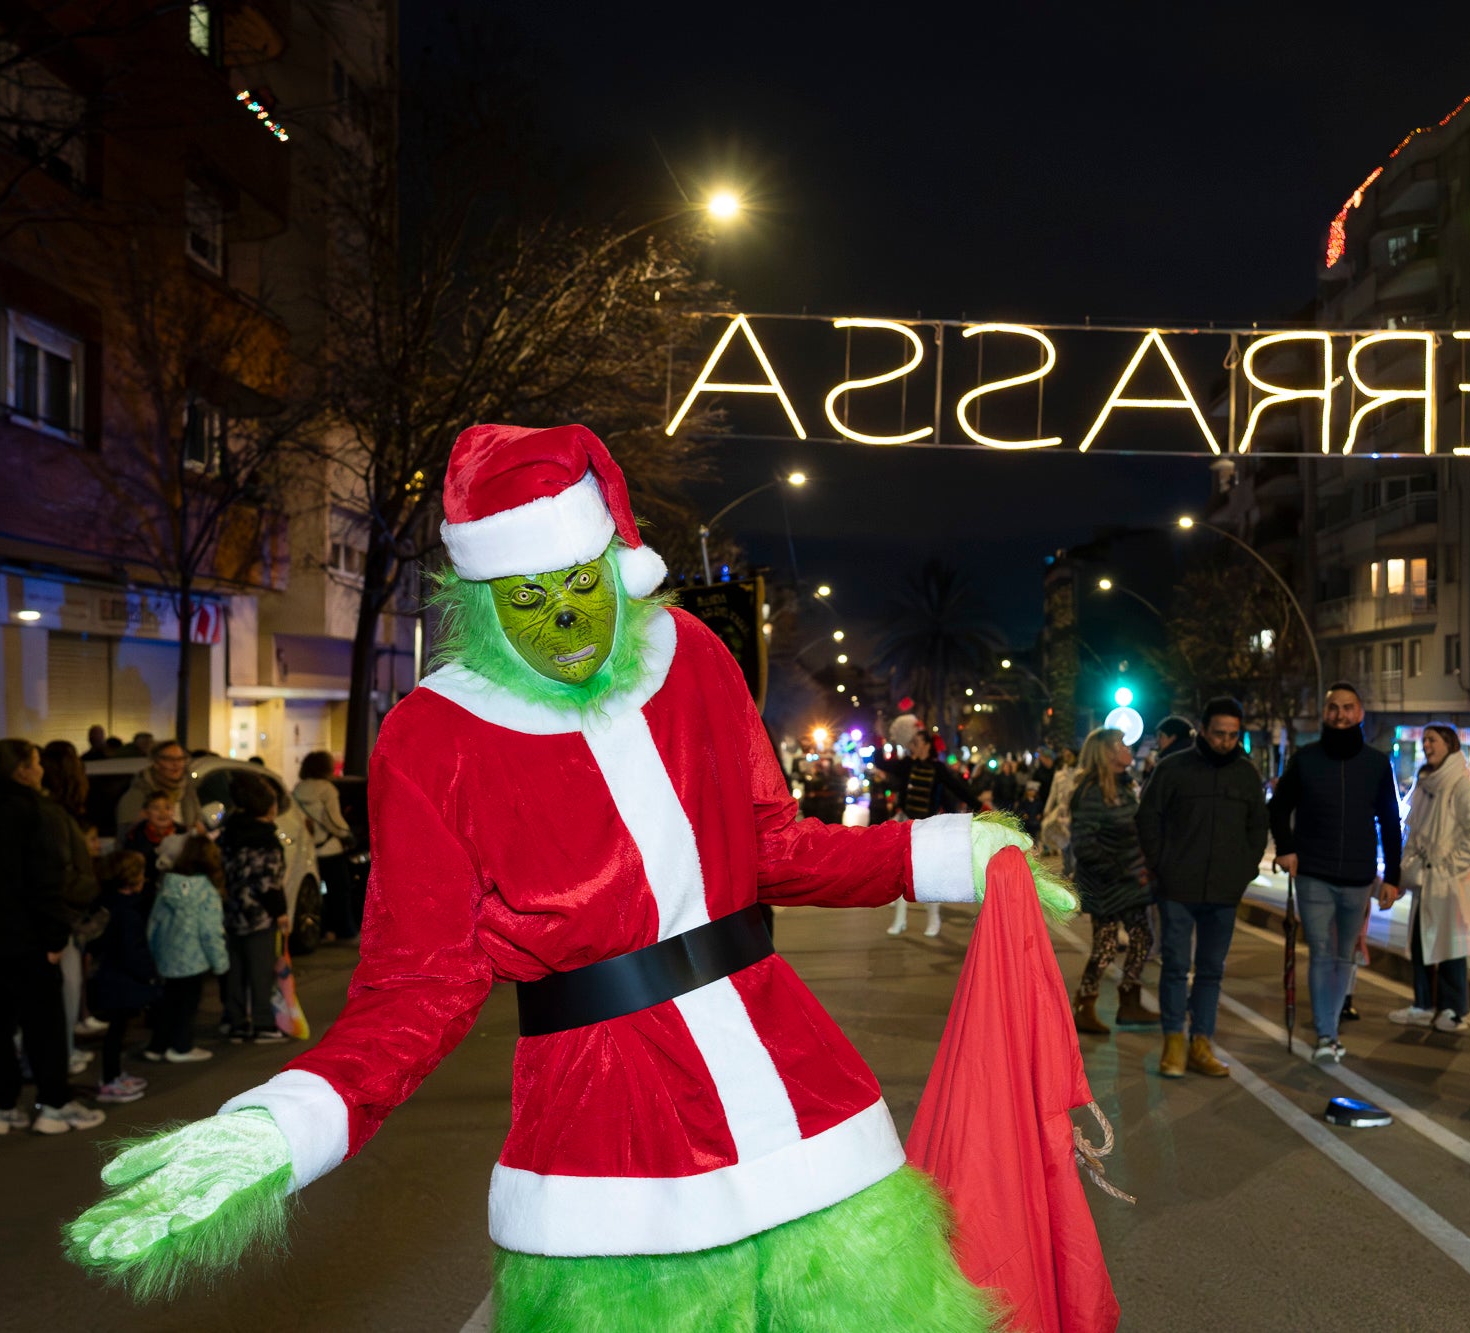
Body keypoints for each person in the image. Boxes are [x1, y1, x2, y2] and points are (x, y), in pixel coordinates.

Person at [67, 422, 1069, 1327]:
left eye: (581, 583)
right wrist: (284, 1126)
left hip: (791, 1080)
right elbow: (416, 981)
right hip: (604, 1127)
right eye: (528, 597)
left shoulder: (695, 659)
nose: (565, 621)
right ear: (482, 599)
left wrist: (953, 852)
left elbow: (773, 846)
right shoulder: (433, 735)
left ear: (615, 563)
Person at [0, 739, 105, 1138]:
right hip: (27, 941)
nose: (42, 770)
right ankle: (53, 1105)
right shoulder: (34, 813)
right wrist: (54, 935)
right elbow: (45, 880)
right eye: (36, 763)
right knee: (43, 1026)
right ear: (22, 770)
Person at [1268, 682, 1402, 1064]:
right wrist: (1287, 848)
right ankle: (1326, 1034)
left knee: (1345, 956)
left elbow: (1390, 822)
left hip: (1359, 877)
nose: (1340, 714)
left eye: (1348, 708)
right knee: (1323, 954)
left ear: (1360, 714)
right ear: (1324, 714)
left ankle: (1330, 1026)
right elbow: (1278, 808)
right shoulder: (1306, 759)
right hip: (1313, 873)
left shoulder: (1377, 764)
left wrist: (1392, 876)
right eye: (1333, 708)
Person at [1136, 697, 1267, 1077]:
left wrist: (1244, 870)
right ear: (1203, 731)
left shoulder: (1246, 774)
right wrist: (1162, 865)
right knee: (1176, 965)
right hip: (1177, 888)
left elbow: (1258, 825)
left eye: (1232, 735)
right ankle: (1173, 1041)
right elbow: (1148, 818)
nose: (1226, 741)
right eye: (1219, 734)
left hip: (1224, 891)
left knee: (1211, 969)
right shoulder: (1173, 769)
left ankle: (1201, 1042)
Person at [1388, 725, 1470, 1032]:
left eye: (1432, 740)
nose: (1426, 745)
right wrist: (1408, 869)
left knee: (1451, 947)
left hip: (1451, 884)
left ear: (1450, 744)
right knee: (1421, 944)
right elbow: (1414, 831)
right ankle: (1422, 1004)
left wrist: (1448, 865)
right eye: (1425, 740)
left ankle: (1454, 1009)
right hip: (1427, 882)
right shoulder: (1426, 785)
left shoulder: (1460, 787)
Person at [1069, 726, 1155, 1033]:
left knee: (1141, 937)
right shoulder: (1092, 791)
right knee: (1106, 946)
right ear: (1106, 754)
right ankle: (1085, 1005)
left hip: (1128, 880)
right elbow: (1083, 843)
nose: (1127, 747)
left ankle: (1128, 1001)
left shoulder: (1123, 785)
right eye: (1120, 744)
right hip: (1107, 883)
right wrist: (1117, 868)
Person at [869, 730, 972, 937]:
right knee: (901, 871)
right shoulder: (908, 764)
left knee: (928, 876)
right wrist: (879, 738)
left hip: (928, 829)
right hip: (907, 825)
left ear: (926, 745)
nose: (912, 745)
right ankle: (900, 919)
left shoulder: (938, 768)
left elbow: (959, 789)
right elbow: (880, 762)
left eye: (916, 742)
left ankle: (934, 918)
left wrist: (983, 807)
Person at [41, 740, 102, 1073]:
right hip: (61, 918)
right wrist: (92, 882)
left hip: (62, 917)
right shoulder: (54, 815)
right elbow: (60, 876)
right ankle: (58, 1058)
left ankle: (62, 1049)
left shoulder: (53, 813)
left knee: (68, 989)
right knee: (64, 990)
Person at [145, 835, 228, 1063]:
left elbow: (154, 922)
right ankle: (181, 1047)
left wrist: (154, 951)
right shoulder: (206, 890)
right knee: (187, 1005)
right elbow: (209, 930)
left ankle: (157, 1046)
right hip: (193, 959)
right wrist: (220, 961)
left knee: (168, 1002)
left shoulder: (168, 884)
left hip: (168, 956)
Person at [220, 769, 288, 1044]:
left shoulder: (230, 832)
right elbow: (267, 882)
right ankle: (262, 1023)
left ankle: (236, 1022)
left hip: (232, 910)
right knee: (261, 970)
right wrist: (280, 912)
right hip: (258, 914)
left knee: (235, 969)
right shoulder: (264, 838)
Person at [87, 851, 159, 1103]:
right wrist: (150, 974)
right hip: (119, 983)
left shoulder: (108, 904)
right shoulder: (126, 912)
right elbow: (132, 951)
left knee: (117, 1033)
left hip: (111, 979)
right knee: (115, 1033)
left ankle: (114, 1074)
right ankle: (109, 1080)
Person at [294, 751, 358, 942]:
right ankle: (344, 930)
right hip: (330, 849)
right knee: (339, 892)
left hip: (310, 849)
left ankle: (322, 930)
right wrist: (347, 834)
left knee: (315, 894)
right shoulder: (327, 789)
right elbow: (334, 820)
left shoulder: (298, 789)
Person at [113, 740, 202, 843]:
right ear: (156, 763)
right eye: (169, 759)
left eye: (180, 759)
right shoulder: (139, 794)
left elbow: (197, 822)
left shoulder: (188, 791)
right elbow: (125, 837)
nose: (176, 764)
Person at [120, 790, 177, 891]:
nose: (163, 813)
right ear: (146, 812)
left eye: (167, 808)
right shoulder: (135, 836)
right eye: (156, 808)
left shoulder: (183, 833)